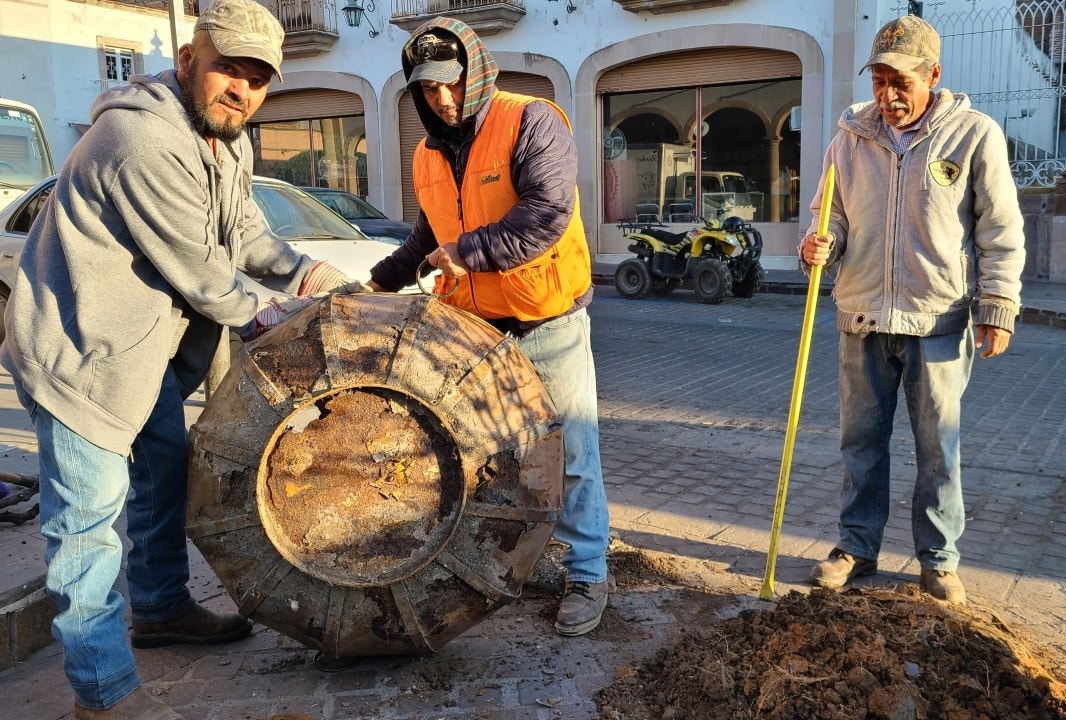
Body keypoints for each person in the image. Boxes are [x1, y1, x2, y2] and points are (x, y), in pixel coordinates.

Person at [0, 1, 360, 717]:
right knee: (86, 530)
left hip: (144, 357)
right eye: (229, 68)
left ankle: (162, 608)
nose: (242, 89)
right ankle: (102, 694)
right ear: (189, 59)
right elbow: (204, 273)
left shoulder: (227, 143)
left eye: (259, 78)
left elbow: (250, 239)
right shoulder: (138, 138)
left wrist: (324, 283)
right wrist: (297, 324)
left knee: (165, 476)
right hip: (81, 357)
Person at [363, 18, 611, 636]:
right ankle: (509, 563)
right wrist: (380, 281)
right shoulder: (426, 152)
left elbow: (548, 213)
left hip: (547, 319)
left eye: (449, 84)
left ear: (474, 73)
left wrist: (468, 253)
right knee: (489, 458)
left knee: (571, 451)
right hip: (475, 330)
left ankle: (587, 572)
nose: (440, 98)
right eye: (426, 89)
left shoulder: (532, 121)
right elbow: (430, 235)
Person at [799, 15, 1025, 605]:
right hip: (862, 315)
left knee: (937, 447)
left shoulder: (975, 135)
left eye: (900, 82)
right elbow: (834, 214)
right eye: (878, 80)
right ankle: (856, 546)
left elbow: (1000, 229)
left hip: (939, 317)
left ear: (934, 75)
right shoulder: (849, 136)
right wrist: (820, 244)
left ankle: (938, 558)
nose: (887, 95)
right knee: (860, 444)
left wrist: (998, 303)